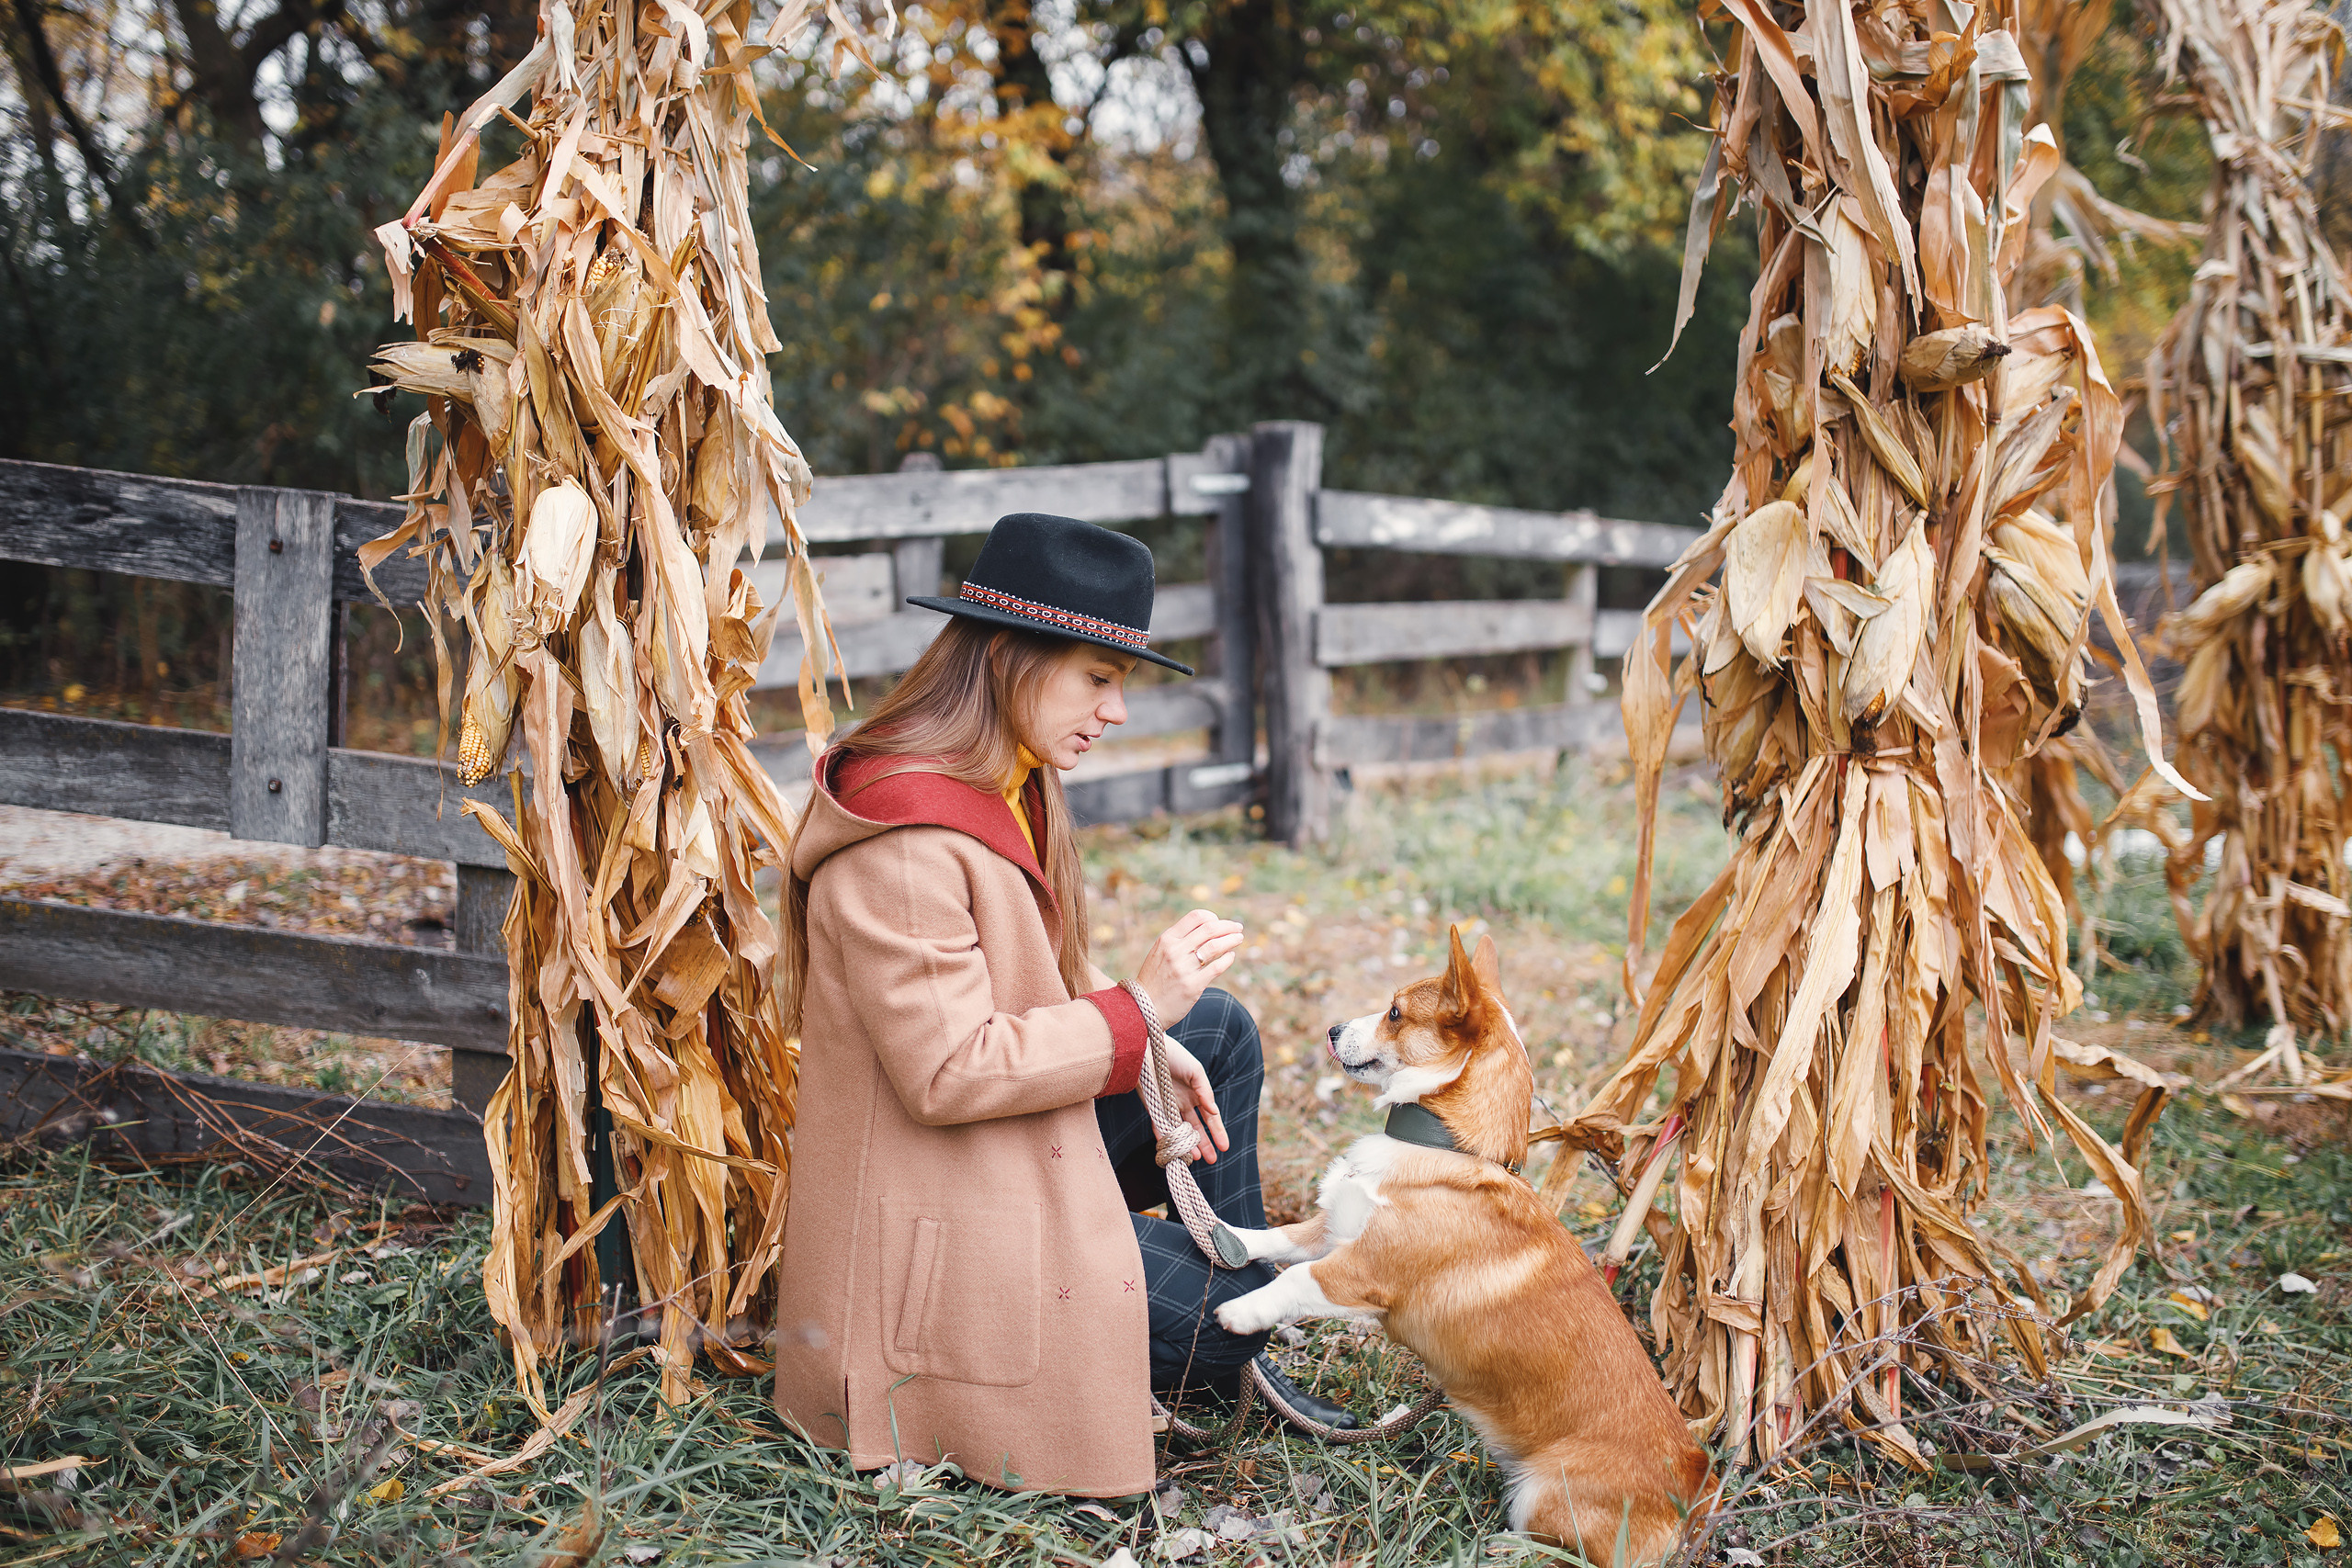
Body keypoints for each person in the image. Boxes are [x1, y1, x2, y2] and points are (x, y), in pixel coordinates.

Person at [773, 512, 1354, 1499]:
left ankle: (1243, 1294)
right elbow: (947, 1071)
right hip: (935, 1226)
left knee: (1214, 1031)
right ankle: (1227, 1332)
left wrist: (1150, 1035)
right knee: (1227, 1317)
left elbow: (1018, 982)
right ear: (1010, 659)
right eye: (1097, 678)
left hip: (994, 1153)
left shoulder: (1005, 781)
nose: (1115, 710)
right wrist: (1136, 1011)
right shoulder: (902, 840)